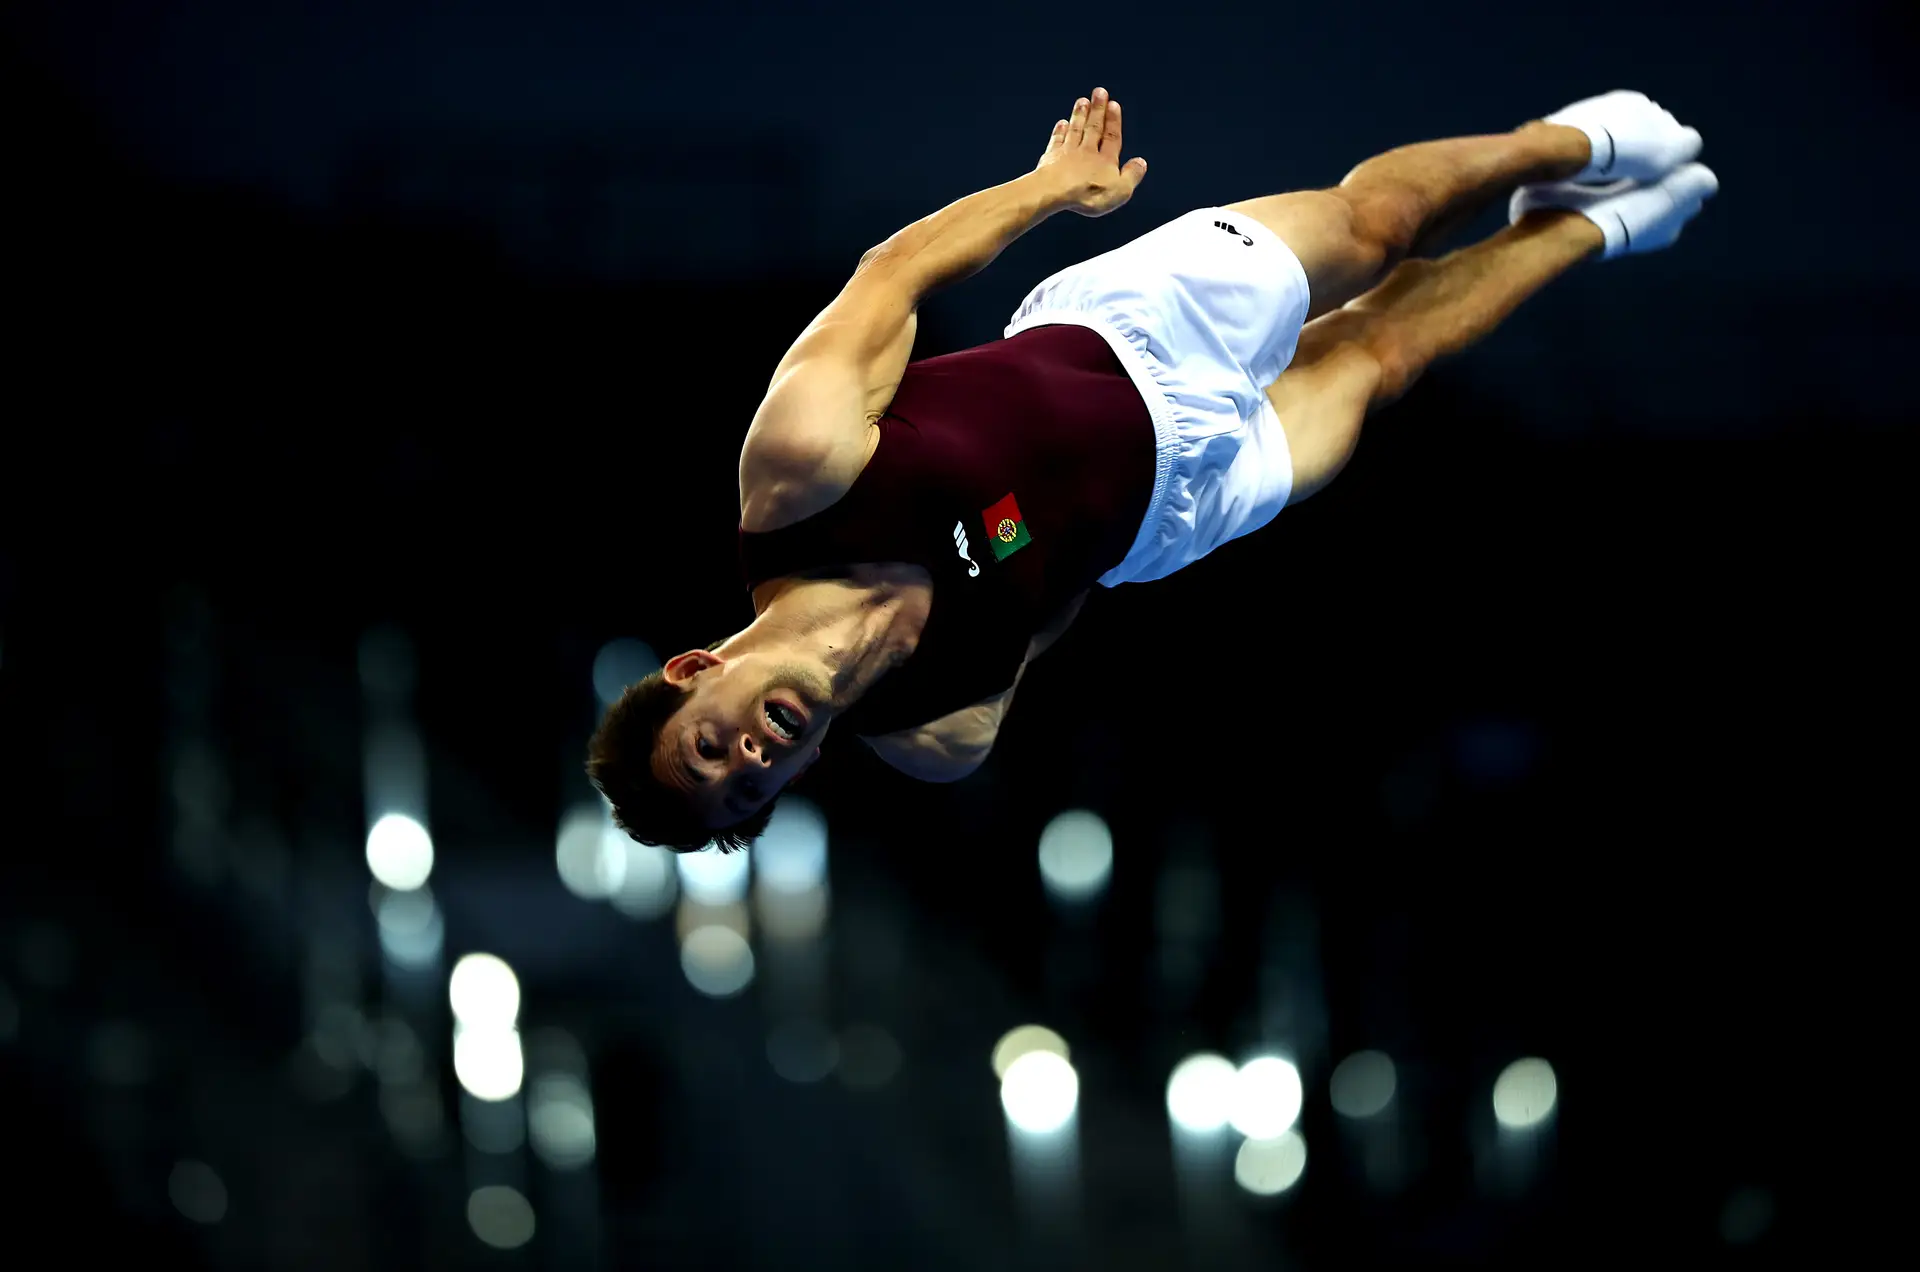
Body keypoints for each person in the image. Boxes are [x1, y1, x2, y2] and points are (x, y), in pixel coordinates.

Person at [587, 86, 1717, 853]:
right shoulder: (940, 738)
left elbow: (891, 277)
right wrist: (1119, 532)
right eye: (748, 789)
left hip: (1130, 336)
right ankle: (1591, 232)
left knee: (1378, 230)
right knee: (1383, 358)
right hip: (1168, 515)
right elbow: (1046, 603)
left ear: (694, 669)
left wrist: (1049, 190)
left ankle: (1568, 144)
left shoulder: (798, 480)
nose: (750, 757)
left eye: (710, 745)